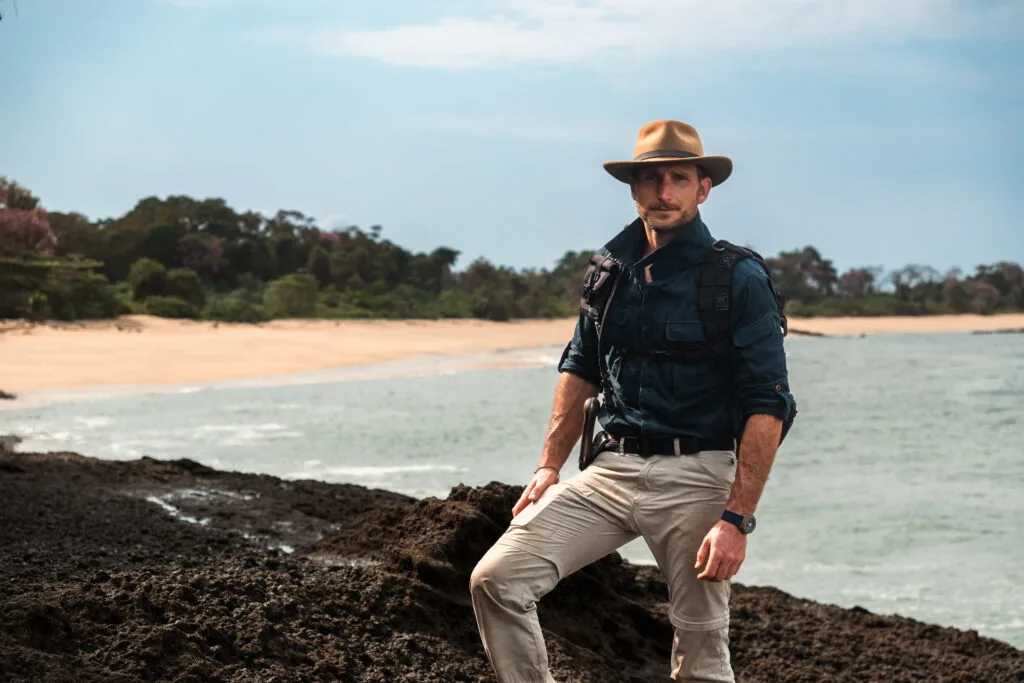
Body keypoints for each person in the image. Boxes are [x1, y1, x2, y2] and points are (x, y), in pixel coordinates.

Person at [469, 119, 797, 683]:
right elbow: (580, 367)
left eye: (678, 179)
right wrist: (549, 465)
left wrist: (736, 519)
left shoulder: (736, 276)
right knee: (497, 580)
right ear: (633, 188)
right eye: (651, 180)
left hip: (697, 474)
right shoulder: (609, 269)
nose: (663, 192)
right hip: (610, 471)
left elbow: (768, 403)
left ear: (703, 187)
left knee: (700, 645)